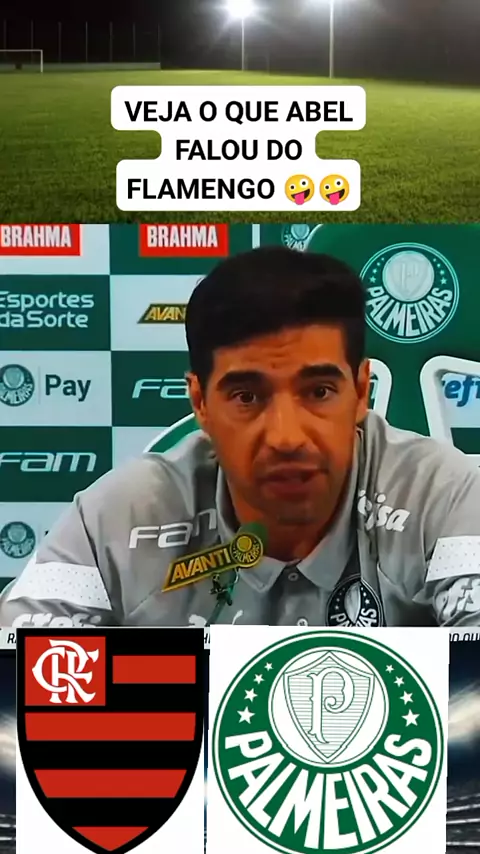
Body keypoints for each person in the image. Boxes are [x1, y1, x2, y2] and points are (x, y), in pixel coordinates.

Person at [2, 246, 480, 628]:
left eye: (318, 391)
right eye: (247, 397)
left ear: (360, 392)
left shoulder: (447, 496)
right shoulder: (118, 519)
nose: (286, 437)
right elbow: (15, 682)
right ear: (200, 402)